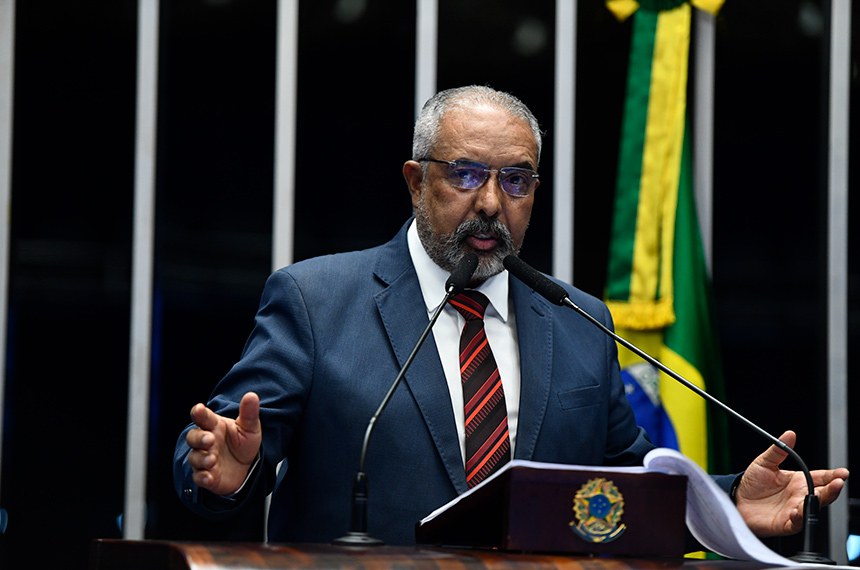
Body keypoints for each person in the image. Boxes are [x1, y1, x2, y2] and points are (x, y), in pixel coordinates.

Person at [174, 85, 848, 547]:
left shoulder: (578, 319)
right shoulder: (317, 300)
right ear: (415, 181)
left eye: (516, 179)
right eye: (466, 174)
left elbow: (625, 482)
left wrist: (732, 503)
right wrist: (230, 471)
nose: (492, 203)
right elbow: (228, 449)